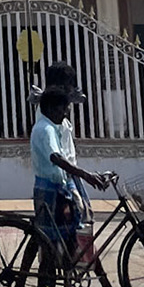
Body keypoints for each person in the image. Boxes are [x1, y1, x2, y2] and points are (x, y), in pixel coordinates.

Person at [30, 63, 109, 267]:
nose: (71, 89)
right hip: (60, 177)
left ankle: (72, 274)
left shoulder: (57, 107)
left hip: (67, 175)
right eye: (68, 84)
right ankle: (90, 276)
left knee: (65, 230)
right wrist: (85, 175)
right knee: (68, 230)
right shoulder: (48, 113)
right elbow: (55, 155)